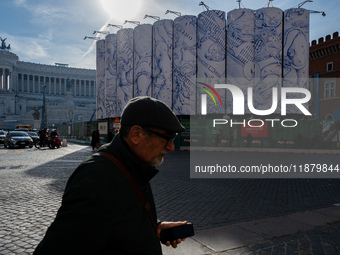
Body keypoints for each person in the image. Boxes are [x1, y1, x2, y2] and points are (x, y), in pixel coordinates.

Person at [33, 96, 188, 255]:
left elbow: (117, 220)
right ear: (136, 134)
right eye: (167, 138)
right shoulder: (95, 180)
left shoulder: (134, 164)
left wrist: (154, 228)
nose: (171, 147)